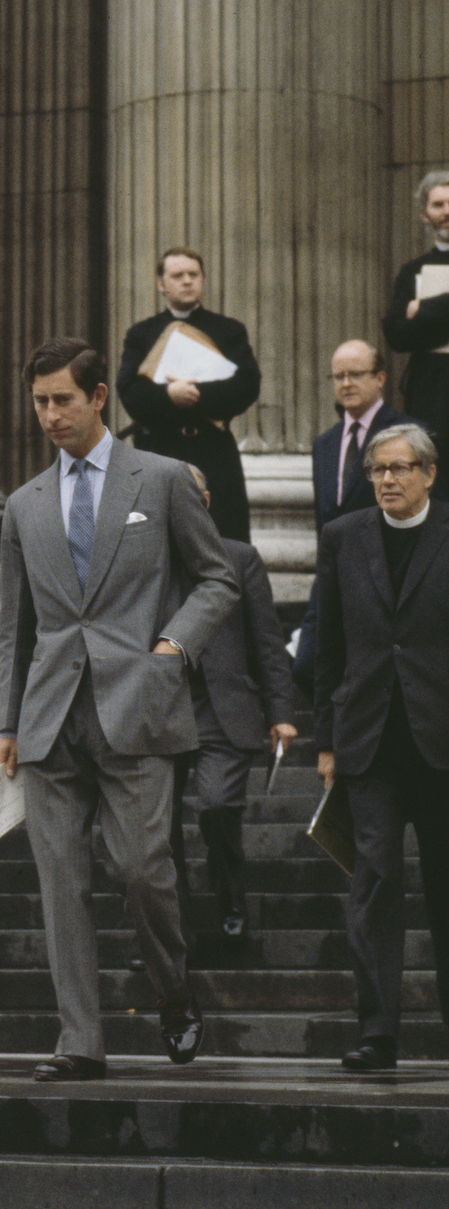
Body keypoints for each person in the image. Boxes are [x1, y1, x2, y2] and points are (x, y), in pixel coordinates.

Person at [0, 339, 239, 1080]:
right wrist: (5, 723)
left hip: (138, 702)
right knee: (62, 883)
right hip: (48, 715)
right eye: (39, 402)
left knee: (141, 870)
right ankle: (80, 1039)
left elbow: (218, 578)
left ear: (100, 397)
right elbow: (15, 624)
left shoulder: (161, 480)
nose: (50, 414)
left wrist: (174, 645)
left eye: (63, 398)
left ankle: (173, 993)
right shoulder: (22, 504)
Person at [314, 423, 449, 1072]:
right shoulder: (344, 539)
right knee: (375, 881)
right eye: (377, 470)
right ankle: (378, 1032)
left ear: (429, 472)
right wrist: (325, 738)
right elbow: (329, 643)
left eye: (400, 468)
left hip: (442, 741)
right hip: (369, 742)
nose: (387, 480)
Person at [170, 464, 297, 944]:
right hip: (162, 711)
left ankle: (230, 896)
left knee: (218, 805)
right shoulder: (145, 563)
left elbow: (268, 642)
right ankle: (170, 930)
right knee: (155, 829)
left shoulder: (240, 557)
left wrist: (281, 712)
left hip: (224, 712)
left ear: (204, 502)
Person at [116, 247, 261, 541]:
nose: (186, 281)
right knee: (157, 540)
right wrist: (169, 394)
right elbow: (130, 391)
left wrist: (195, 394)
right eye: (177, 275)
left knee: (223, 539)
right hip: (160, 448)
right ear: (161, 284)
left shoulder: (229, 330)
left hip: (214, 450)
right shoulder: (141, 334)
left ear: (203, 280)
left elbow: (247, 385)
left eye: (193, 275)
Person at [292, 341, 409, 698]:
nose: (346, 383)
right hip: (332, 580)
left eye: (356, 374)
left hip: (388, 580)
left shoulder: (408, 435)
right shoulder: (324, 444)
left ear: (380, 378)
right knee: (306, 667)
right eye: (338, 376)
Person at [382, 171, 449, 492]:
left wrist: (423, 311)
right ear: (425, 214)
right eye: (438, 204)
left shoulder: (419, 300)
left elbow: (413, 325)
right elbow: (397, 334)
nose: (447, 211)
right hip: (431, 395)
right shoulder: (411, 271)